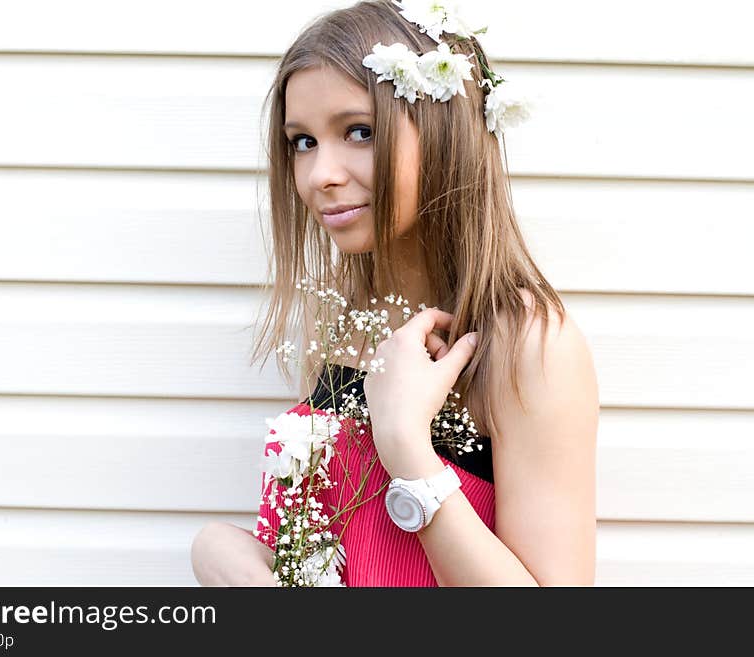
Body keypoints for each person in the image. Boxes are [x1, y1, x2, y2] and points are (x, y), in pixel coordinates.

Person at [191, 0, 599, 587]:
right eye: (302, 142)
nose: (319, 174)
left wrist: (407, 445)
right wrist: (218, 555)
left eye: (359, 132)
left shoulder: (528, 343)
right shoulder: (342, 312)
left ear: (444, 134)